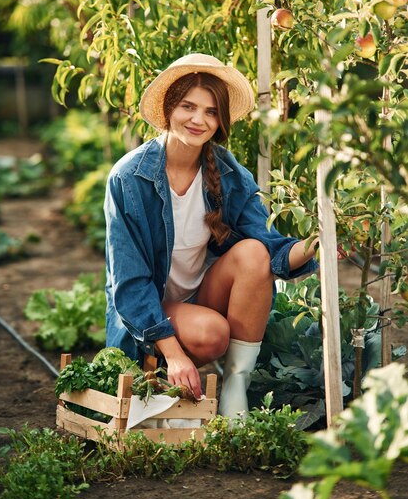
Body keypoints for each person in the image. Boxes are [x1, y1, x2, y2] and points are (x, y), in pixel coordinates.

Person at [104, 53, 318, 419]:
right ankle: (160, 376)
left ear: (220, 121)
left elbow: (269, 247)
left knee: (252, 253)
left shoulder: (228, 172)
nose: (198, 120)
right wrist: (172, 354)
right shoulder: (130, 178)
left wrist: (318, 244)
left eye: (211, 111)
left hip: (202, 296)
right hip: (148, 313)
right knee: (212, 333)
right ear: (169, 108)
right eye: (188, 107)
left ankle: (236, 387)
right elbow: (130, 283)